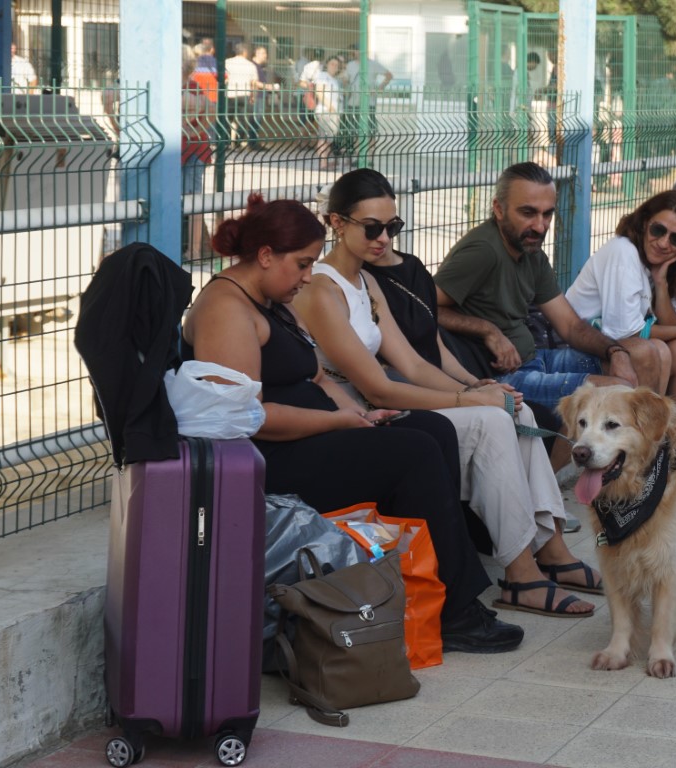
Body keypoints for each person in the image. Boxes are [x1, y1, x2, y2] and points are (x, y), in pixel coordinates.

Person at [182, 192, 523, 653]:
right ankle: (455, 612)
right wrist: (337, 423)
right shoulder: (227, 309)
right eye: (302, 265)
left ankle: (428, 591)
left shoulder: (270, 298)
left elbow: (317, 375)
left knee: (432, 430)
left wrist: (361, 415)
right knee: (413, 454)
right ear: (265, 256)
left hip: (313, 435)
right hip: (271, 460)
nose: (308, 277)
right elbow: (250, 418)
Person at [290, 168, 602, 617]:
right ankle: (520, 576)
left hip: (387, 401)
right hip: (362, 414)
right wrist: (468, 400)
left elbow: (415, 363)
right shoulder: (322, 288)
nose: (383, 239)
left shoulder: (367, 281)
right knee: (493, 421)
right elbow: (376, 386)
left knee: (518, 413)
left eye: (392, 227)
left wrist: (477, 386)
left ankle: (550, 550)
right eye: (372, 228)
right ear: (337, 223)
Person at [434, 162, 663, 414]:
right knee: (613, 390)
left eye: (547, 214)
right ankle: (578, 453)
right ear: (498, 209)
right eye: (528, 213)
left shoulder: (531, 251)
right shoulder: (483, 252)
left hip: (536, 359)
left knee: (643, 353)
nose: (540, 226)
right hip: (504, 380)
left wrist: (616, 351)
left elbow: (571, 326)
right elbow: (423, 308)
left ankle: (646, 449)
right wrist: (488, 330)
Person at [565, 190, 676, 407]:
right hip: (578, 352)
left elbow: (671, 325)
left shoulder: (668, 266)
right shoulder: (623, 252)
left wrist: (661, 284)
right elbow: (628, 332)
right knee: (659, 351)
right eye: (658, 230)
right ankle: (648, 436)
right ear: (645, 223)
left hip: (617, 348)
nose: (664, 243)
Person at [181, 52, 214, 259]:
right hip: (188, 149)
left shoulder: (191, 89)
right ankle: (191, 248)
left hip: (191, 151)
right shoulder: (191, 88)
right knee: (190, 200)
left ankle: (193, 250)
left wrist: (187, 131)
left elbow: (208, 112)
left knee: (192, 201)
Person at [340, 43, 393, 157]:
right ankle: (358, 156)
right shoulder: (350, 65)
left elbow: (389, 75)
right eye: (355, 51)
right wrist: (345, 81)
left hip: (369, 103)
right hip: (353, 103)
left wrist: (379, 89)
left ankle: (369, 157)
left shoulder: (373, 64)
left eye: (359, 50)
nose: (356, 53)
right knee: (354, 131)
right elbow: (346, 80)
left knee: (370, 131)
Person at [224, 43, 264, 151]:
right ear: (245, 52)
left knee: (227, 118)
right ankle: (238, 142)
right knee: (242, 119)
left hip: (230, 94)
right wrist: (253, 96)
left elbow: (224, 79)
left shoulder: (227, 62)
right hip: (244, 94)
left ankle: (226, 143)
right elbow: (254, 82)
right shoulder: (250, 65)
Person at [310, 56, 344, 171]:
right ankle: (323, 163)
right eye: (332, 64)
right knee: (324, 137)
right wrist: (329, 105)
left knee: (329, 138)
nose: (334, 66)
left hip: (334, 112)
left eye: (336, 65)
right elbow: (319, 91)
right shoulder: (323, 76)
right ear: (327, 64)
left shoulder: (334, 79)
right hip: (326, 111)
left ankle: (325, 161)